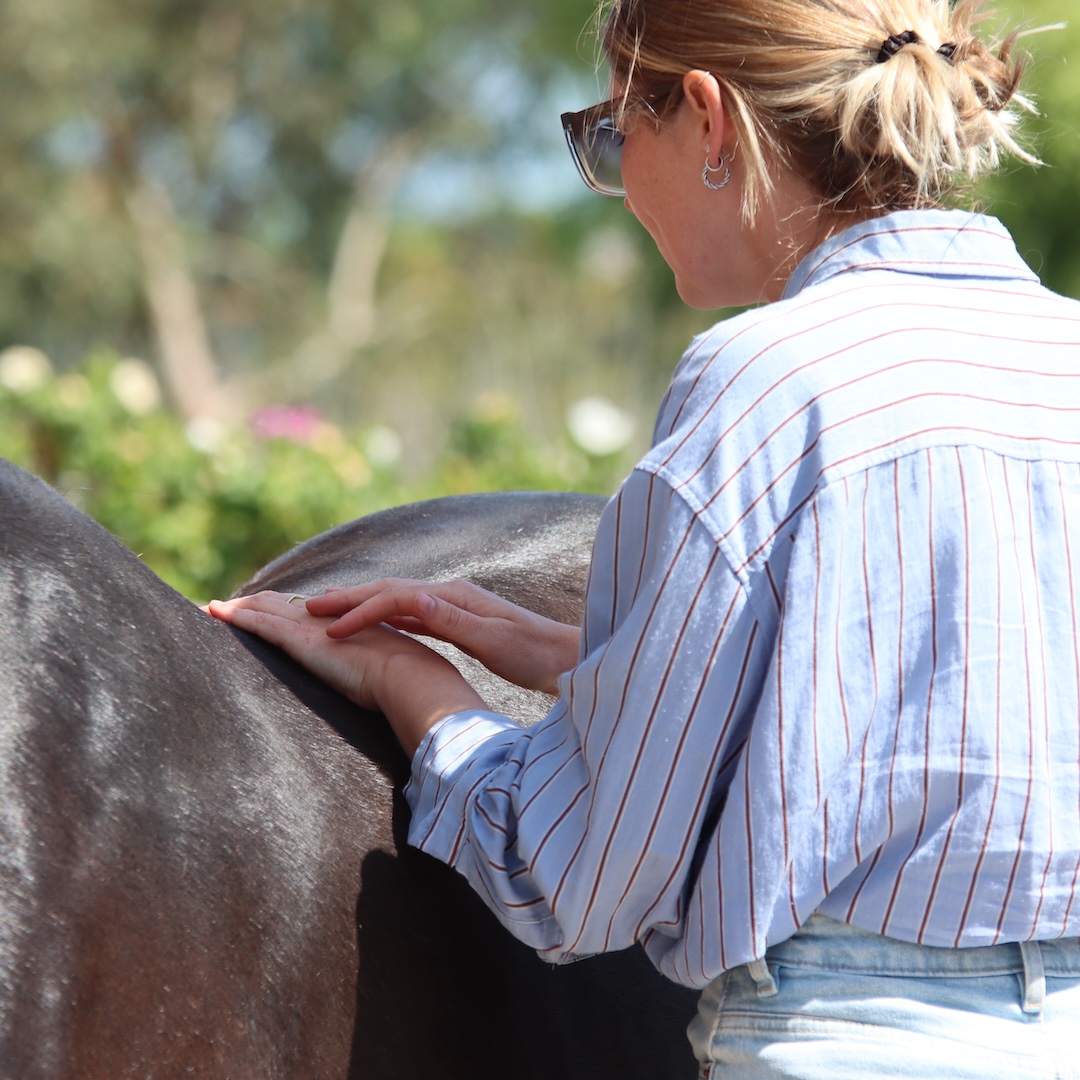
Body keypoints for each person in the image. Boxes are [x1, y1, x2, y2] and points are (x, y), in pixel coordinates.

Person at [208, 0, 1080, 1074]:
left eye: (614, 133)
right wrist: (578, 659)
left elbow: (575, 878)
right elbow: (959, 713)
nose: (618, 186)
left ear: (707, 119)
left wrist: (404, 680)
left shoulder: (762, 378)